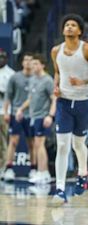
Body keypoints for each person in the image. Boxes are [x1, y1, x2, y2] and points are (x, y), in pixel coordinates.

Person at [51, 14, 88, 203]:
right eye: (67, 25)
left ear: (80, 31)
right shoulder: (55, 50)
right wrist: (56, 87)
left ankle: (82, 173)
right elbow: (57, 73)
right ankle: (59, 189)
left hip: (83, 102)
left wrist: (84, 81)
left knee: (78, 145)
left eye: (74, 25)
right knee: (63, 145)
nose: (70, 27)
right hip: (64, 103)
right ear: (63, 30)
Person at [16, 54, 55, 184]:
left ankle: (44, 173)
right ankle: (40, 171)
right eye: (33, 64)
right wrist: (21, 108)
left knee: (40, 144)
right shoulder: (33, 79)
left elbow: (54, 99)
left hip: (42, 116)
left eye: (36, 64)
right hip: (33, 116)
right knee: (35, 145)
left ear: (42, 65)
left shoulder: (48, 80)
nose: (33, 66)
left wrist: (50, 115)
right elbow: (31, 98)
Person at [3, 53, 35, 181]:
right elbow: (8, 96)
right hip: (15, 114)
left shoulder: (37, 78)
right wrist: (6, 112)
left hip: (31, 115)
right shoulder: (15, 77)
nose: (27, 62)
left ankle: (33, 168)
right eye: (25, 60)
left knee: (31, 143)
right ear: (22, 63)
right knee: (13, 141)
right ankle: (9, 168)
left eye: (30, 60)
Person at [0, 49, 15, 171]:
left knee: (3, 141)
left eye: (2, 57)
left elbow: (14, 95)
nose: (0, 59)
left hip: (4, 112)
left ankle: (3, 168)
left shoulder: (11, 74)